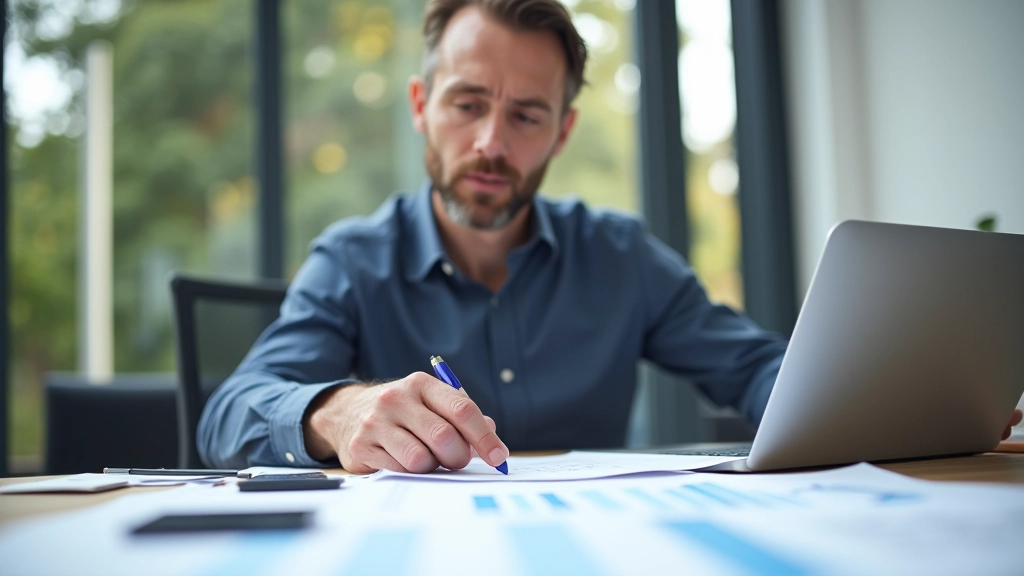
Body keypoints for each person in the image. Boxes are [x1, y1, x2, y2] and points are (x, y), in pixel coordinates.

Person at [197, 0, 1022, 472]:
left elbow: (763, 374)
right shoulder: (352, 258)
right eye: (466, 103)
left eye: (526, 114)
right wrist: (337, 413)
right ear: (420, 106)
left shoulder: (619, 254)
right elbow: (230, 410)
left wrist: (913, 406)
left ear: (562, 131)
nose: (491, 141)